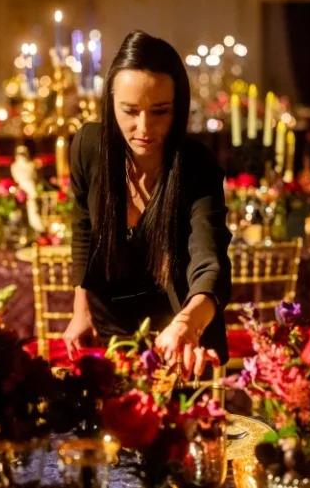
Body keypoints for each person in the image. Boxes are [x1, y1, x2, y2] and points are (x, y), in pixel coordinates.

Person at [64, 30, 232, 378]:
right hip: (110, 326)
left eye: (159, 112)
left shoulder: (197, 165)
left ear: (179, 107)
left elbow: (210, 260)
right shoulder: (88, 147)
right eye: (129, 111)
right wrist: (80, 310)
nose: (143, 128)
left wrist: (187, 324)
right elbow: (83, 230)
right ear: (110, 103)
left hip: (181, 333)